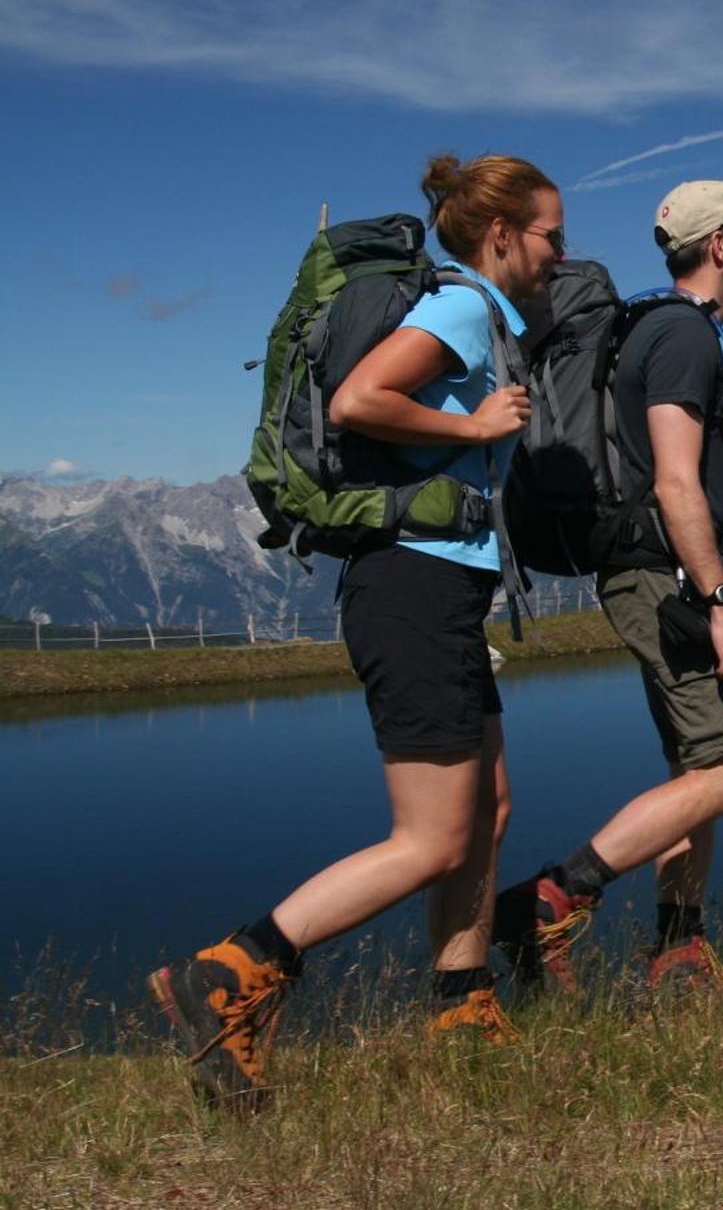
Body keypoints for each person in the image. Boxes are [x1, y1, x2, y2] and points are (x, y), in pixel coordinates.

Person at [150, 153, 564, 1111]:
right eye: (551, 237)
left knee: (487, 808)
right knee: (430, 836)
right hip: (411, 589)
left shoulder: (481, 313)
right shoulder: (462, 307)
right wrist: (476, 429)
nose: (558, 255)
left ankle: (462, 1002)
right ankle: (228, 973)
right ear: (502, 233)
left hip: (439, 593)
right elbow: (359, 399)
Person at [495, 180, 723, 998]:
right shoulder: (683, 336)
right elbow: (675, 482)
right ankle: (549, 899)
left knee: (695, 766)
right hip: (664, 576)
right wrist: (722, 605)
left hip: (645, 570)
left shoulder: (652, 325)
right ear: (718, 246)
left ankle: (679, 955)